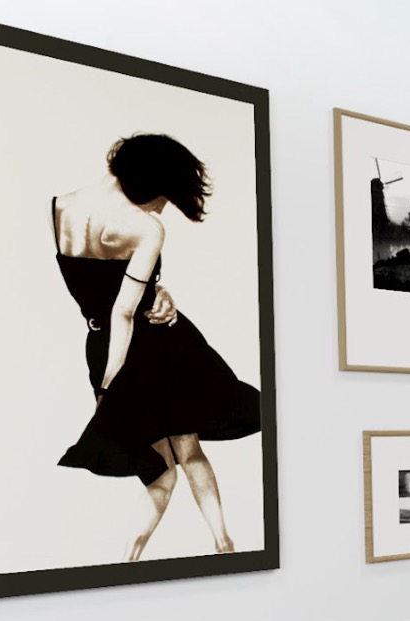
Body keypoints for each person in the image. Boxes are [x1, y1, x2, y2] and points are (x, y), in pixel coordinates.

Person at [52, 133, 261, 560]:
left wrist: (105, 384)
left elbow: (105, 295)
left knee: (163, 466)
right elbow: (123, 312)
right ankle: (220, 545)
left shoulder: (62, 206)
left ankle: (139, 558)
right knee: (184, 452)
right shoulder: (145, 226)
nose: (162, 207)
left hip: (106, 344)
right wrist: (111, 388)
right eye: (164, 196)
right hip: (150, 347)